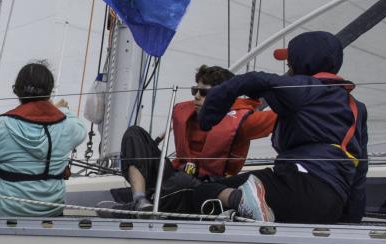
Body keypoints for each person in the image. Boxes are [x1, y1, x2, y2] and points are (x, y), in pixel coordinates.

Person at [194, 31, 368, 223]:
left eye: (290, 62)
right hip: (332, 203)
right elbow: (361, 167)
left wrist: (208, 115)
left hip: (298, 186)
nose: (288, 66)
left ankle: (241, 200)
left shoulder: (302, 88)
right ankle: (250, 204)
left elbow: (253, 79)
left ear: (302, 62)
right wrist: (353, 217)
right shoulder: (356, 107)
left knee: (202, 192)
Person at [118, 65, 277, 212]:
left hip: (207, 185)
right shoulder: (184, 111)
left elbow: (281, 116)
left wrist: (287, 86)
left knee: (181, 181)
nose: (197, 96)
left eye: (204, 93)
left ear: (223, 95)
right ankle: (140, 200)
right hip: (174, 175)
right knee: (134, 133)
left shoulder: (242, 121)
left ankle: (148, 200)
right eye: (195, 91)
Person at [0, 62, 88, 218]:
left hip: (7, 208)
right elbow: (79, 127)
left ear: (16, 91)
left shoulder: (2, 125)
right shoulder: (67, 126)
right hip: (52, 209)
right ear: (49, 93)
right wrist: (61, 110)